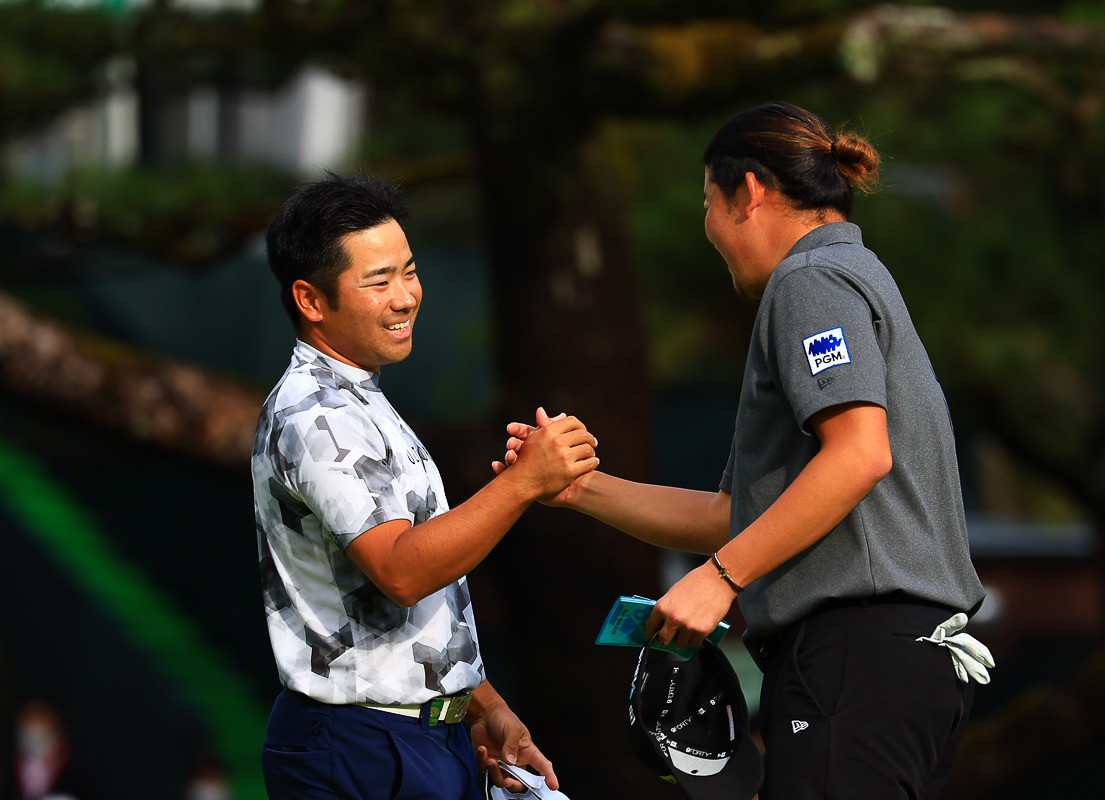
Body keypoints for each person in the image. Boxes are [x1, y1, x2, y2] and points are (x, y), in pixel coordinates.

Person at [498, 102, 988, 799]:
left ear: (749, 193)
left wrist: (719, 578)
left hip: (857, 654)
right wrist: (577, 488)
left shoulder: (809, 279)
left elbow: (858, 456)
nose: (707, 226)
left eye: (708, 201)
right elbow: (735, 514)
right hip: (894, 663)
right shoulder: (855, 275)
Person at [253, 172, 598, 800]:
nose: (406, 296)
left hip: (421, 740)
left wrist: (480, 703)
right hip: (358, 744)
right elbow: (403, 572)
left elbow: (403, 605)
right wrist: (525, 482)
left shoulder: (358, 395)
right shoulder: (316, 415)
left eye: (409, 271)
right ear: (310, 299)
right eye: (378, 281)